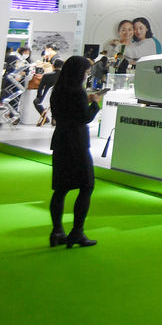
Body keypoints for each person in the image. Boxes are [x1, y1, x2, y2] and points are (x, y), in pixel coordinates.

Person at [48, 56, 102, 248]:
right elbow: (84, 118)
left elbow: (64, 113)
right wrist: (94, 103)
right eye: (86, 71)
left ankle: (57, 231)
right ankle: (77, 232)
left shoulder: (57, 90)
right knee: (87, 186)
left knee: (61, 189)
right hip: (77, 143)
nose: (87, 74)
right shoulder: (78, 92)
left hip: (60, 141)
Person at [33, 59, 63, 123]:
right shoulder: (65, 76)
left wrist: (39, 96)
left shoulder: (46, 75)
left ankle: (45, 118)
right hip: (61, 97)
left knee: (36, 101)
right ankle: (54, 118)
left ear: (53, 66)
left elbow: (40, 87)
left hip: (47, 97)